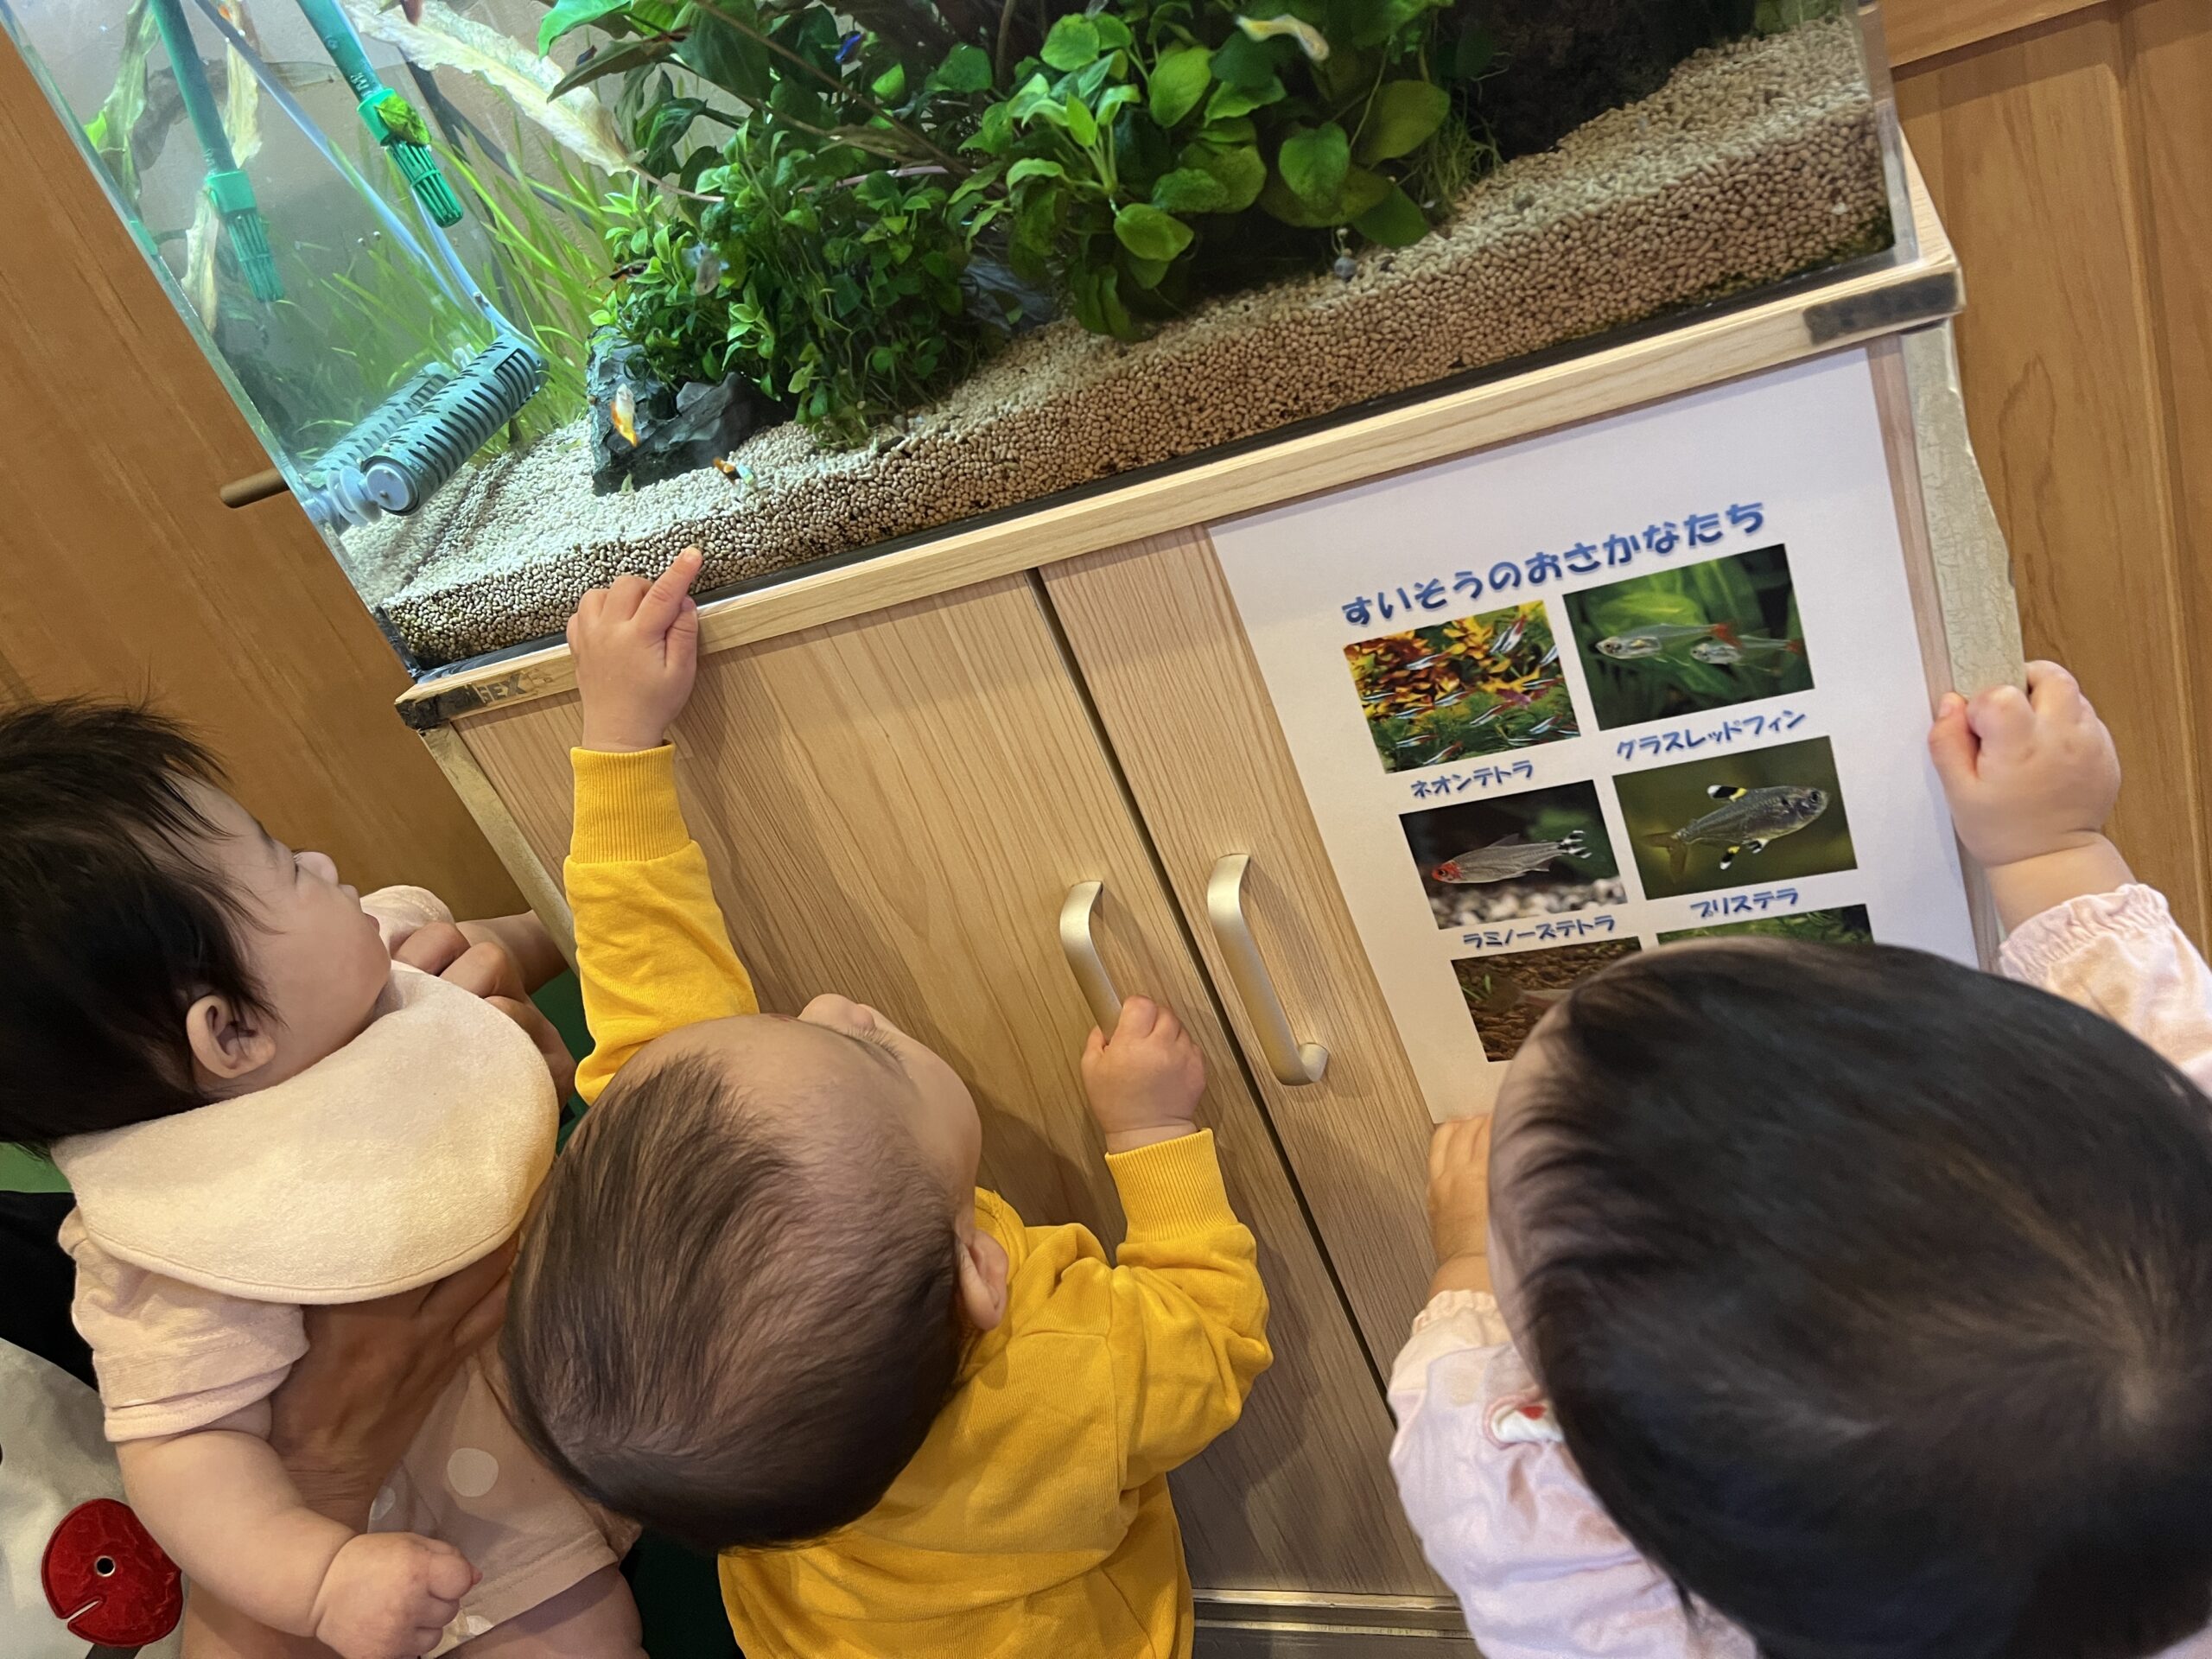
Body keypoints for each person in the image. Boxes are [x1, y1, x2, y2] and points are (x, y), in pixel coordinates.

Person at [499, 548, 1273, 1659]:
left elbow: (653, 995)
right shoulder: (1065, 1382)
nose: (834, 1004)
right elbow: (1208, 1335)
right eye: (866, 1053)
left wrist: (620, 741)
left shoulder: (749, 1429)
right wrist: (1150, 1132)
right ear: (977, 1272)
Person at [1391, 661, 2212, 1659]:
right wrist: (2053, 846)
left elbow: (1448, 1432)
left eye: (1510, 1220)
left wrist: (1462, 1271)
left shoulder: (1557, 1549)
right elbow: (2171, 1048)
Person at [0, 702, 640, 1659]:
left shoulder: (364, 964)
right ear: (231, 1031)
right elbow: (183, 1457)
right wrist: (321, 1577)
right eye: (287, 867)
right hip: (483, 1544)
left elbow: (526, 926)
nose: (323, 864)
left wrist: (524, 950)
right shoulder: (173, 1251)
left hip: (629, 1361)